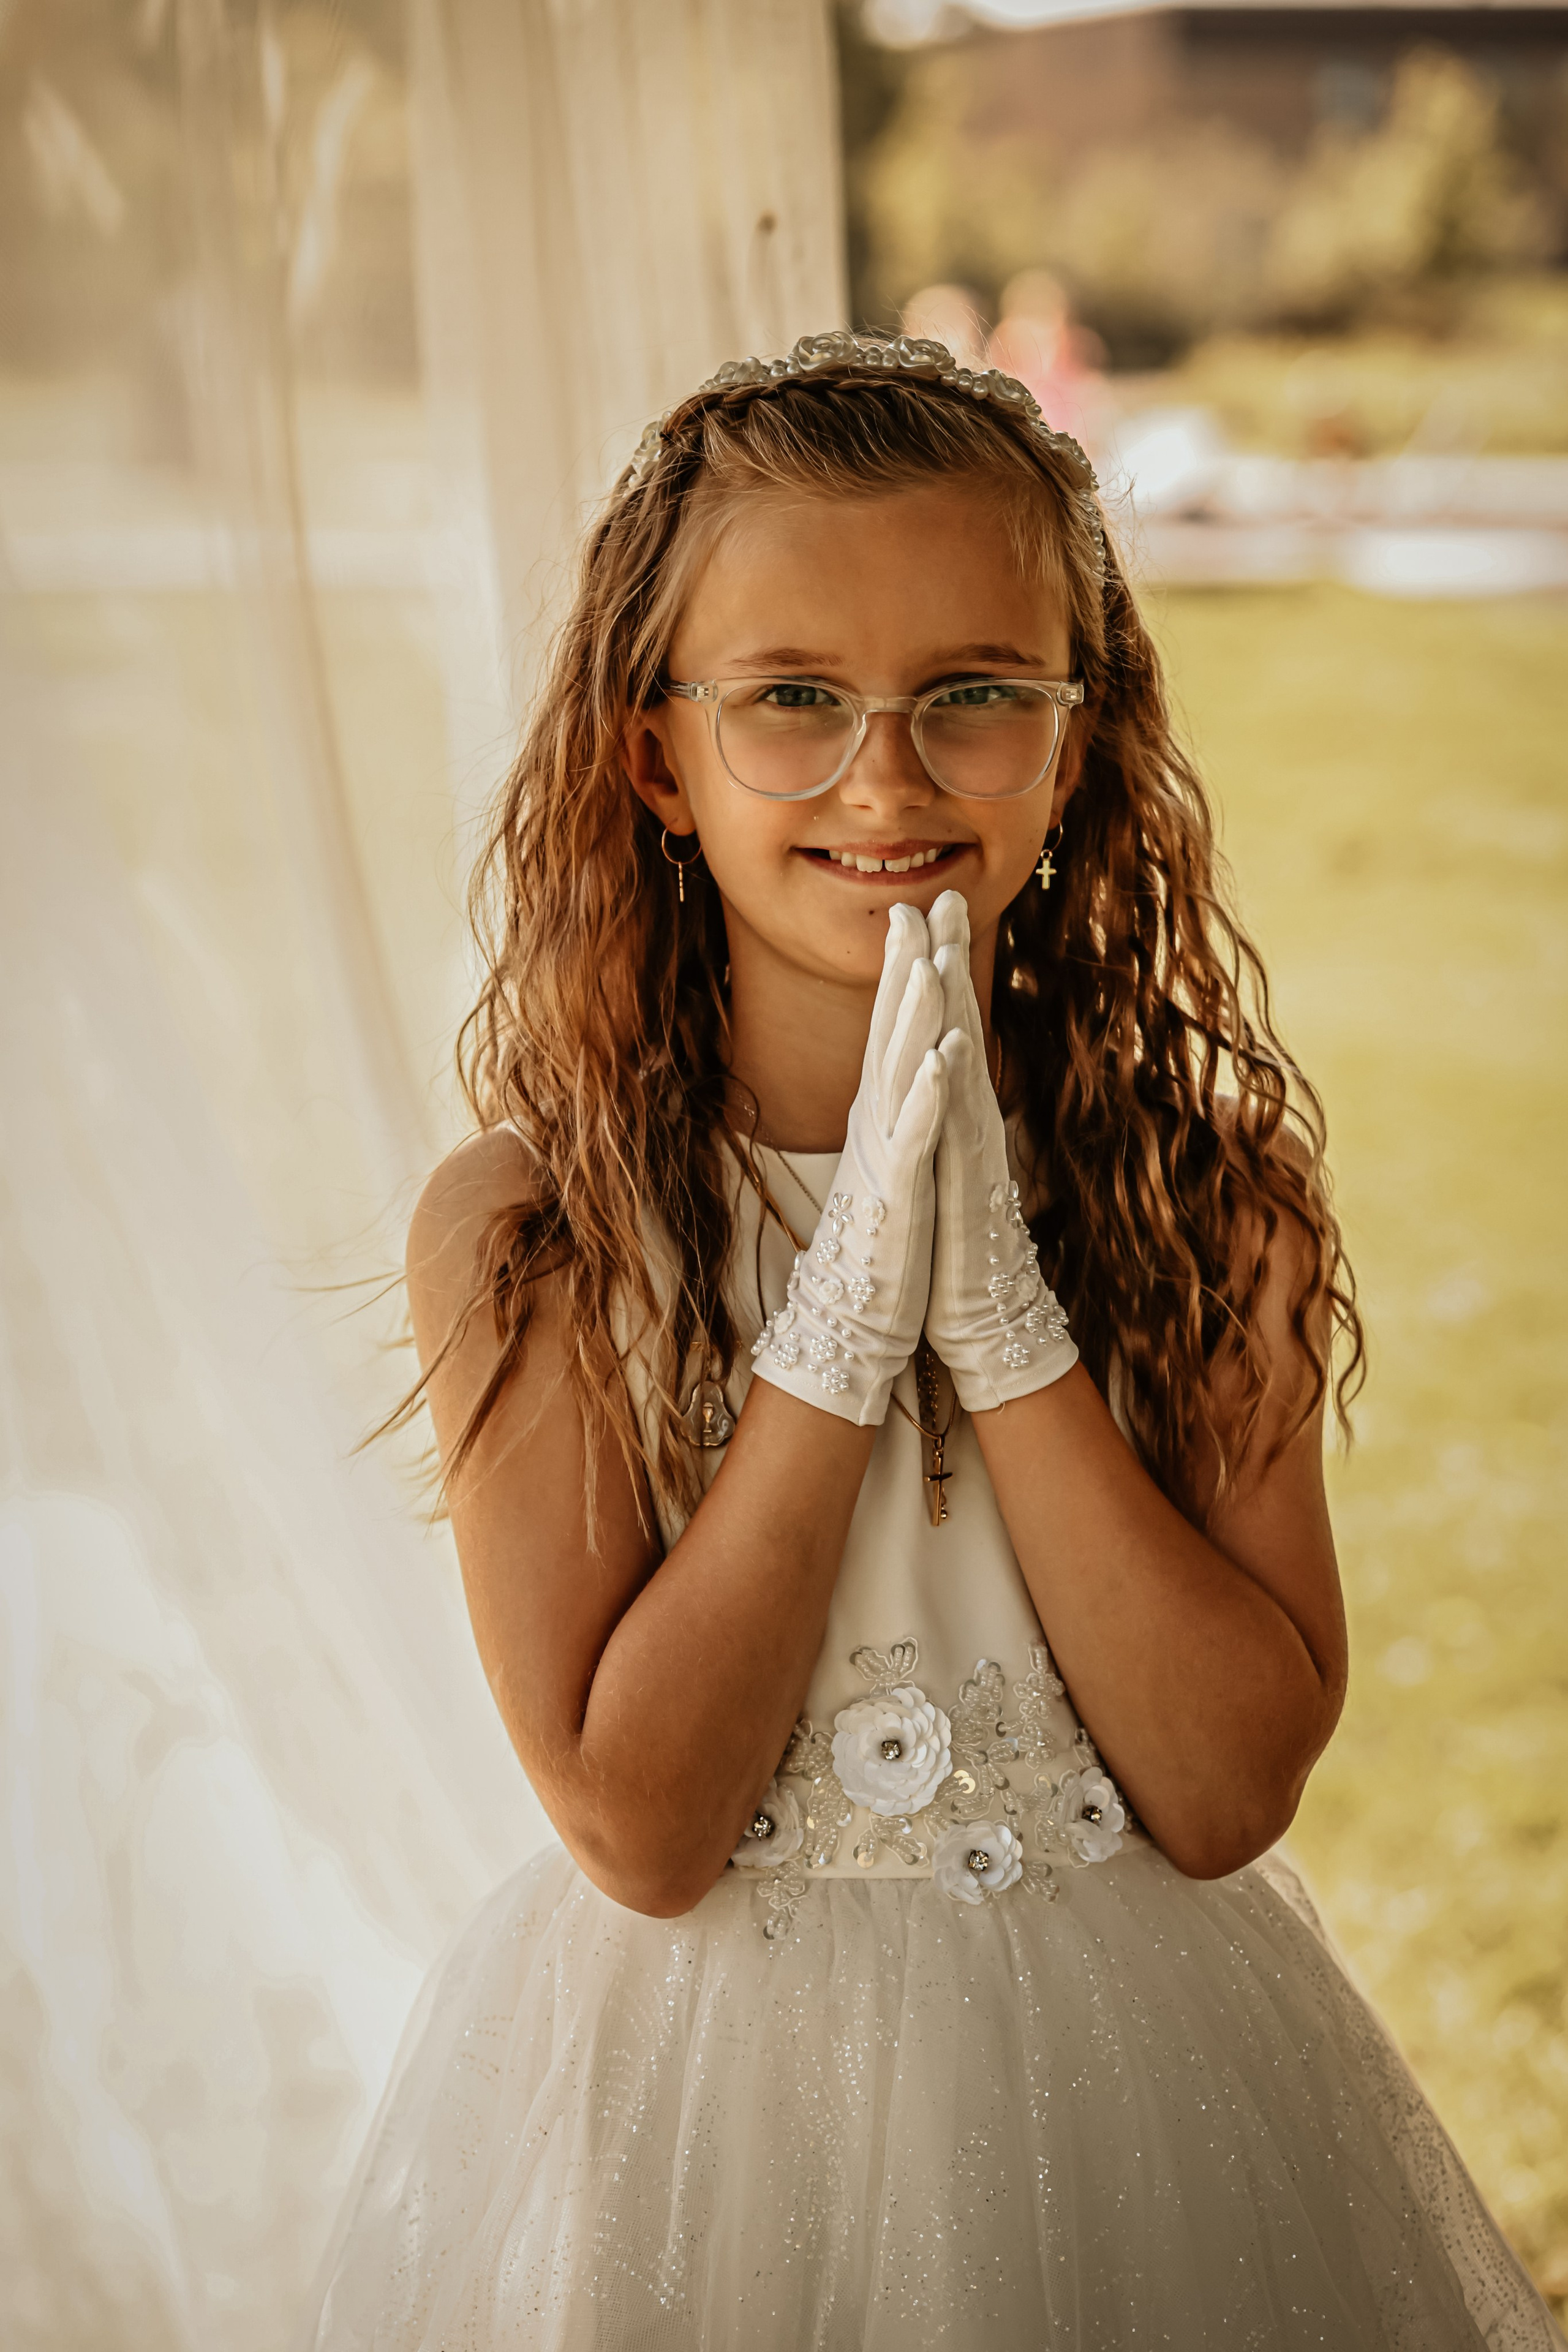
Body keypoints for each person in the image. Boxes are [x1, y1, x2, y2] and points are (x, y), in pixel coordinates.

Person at [304, 333, 1562, 2350]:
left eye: (975, 696)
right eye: (792, 699)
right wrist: (836, 1319)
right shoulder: (543, 1229)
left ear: (1073, 743)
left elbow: (1229, 1787)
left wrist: (1000, 1315)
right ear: (658, 755)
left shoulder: (1201, 1190)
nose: (885, 776)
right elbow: (642, 1823)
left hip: (1150, 2089)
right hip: (714, 2114)